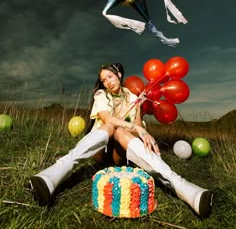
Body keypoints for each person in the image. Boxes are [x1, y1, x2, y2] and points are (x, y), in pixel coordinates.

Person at [29, 62, 213, 217]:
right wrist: (135, 127)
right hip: (100, 152)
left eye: (109, 76)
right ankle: (51, 176)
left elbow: (136, 130)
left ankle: (182, 187)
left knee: (121, 132)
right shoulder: (101, 95)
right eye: (103, 80)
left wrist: (139, 109)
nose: (107, 82)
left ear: (118, 74)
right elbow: (108, 120)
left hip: (119, 153)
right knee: (111, 127)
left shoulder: (132, 97)